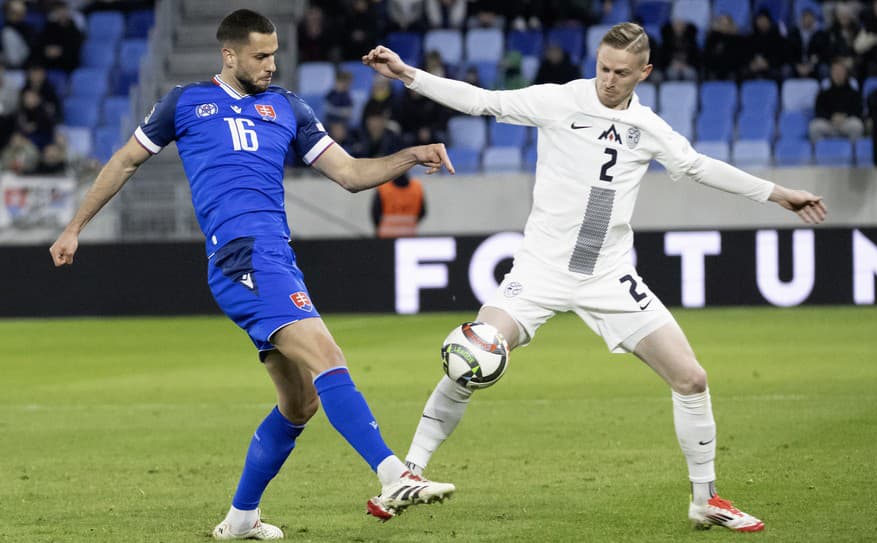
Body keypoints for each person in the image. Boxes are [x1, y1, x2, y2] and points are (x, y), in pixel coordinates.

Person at [364, 21, 828, 533]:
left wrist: (778, 193)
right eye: (603, 68)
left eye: (621, 73)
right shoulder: (560, 101)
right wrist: (408, 74)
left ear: (643, 73)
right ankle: (408, 473)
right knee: (473, 355)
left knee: (691, 378)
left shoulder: (649, 127)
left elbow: (699, 166)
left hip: (607, 275)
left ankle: (706, 500)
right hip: (539, 270)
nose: (609, 80)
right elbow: (482, 101)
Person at [49, 9, 456, 540]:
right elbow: (125, 161)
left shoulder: (287, 107)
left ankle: (241, 519)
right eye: (261, 56)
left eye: (274, 54)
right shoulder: (185, 102)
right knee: (328, 357)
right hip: (242, 259)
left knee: (301, 401)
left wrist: (410, 154)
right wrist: (74, 227)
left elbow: (352, 174)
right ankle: (392, 473)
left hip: (276, 257)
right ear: (230, 55)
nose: (271, 64)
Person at [808, 58, 864, 141]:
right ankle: (821, 152)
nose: (838, 73)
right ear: (831, 73)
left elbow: (858, 110)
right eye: (835, 71)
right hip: (829, 123)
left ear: (845, 73)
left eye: (841, 71)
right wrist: (831, 117)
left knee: (857, 125)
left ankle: (852, 152)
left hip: (846, 123)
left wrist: (845, 116)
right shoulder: (823, 93)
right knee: (814, 127)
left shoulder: (854, 93)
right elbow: (819, 111)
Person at [372, 172, 426, 237]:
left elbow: (375, 213)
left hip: (386, 237)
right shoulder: (417, 187)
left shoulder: (383, 188)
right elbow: (422, 212)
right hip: (408, 236)